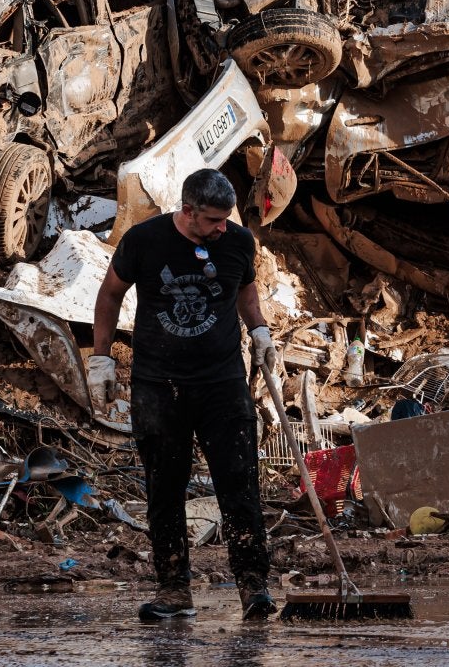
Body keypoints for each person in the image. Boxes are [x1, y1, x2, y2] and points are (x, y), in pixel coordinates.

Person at [87, 168, 281, 622]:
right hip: (159, 386)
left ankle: (254, 587)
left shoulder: (236, 242)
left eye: (225, 219)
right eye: (213, 220)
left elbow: (245, 291)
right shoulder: (144, 240)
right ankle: (174, 591)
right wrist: (101, 358)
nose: (221, 228)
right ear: (188, 210)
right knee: (165, 489)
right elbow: (110, 293)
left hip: (222, 384)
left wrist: (260, 331)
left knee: (239, 483)